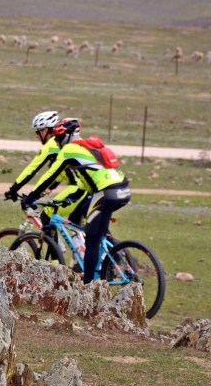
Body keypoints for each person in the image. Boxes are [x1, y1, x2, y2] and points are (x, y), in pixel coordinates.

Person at [18, 117, 131, 283]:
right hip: (123, 188)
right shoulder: (86, 147)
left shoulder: (69, 150)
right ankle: (115, 259)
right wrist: (69, 199)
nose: (56, 142)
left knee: (92, 238)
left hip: (106, 193)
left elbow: (51, 176)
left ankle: (89, 286)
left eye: (57, 138)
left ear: (65, 136)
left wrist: (31, 197)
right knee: (91, 219)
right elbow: (87, 182)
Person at [3, 110, 91, 233]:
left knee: (47, 215)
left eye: (37, 132)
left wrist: (13, 189)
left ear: (45, 130)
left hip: (76, 189)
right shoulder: (68, 140)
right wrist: (51, 187)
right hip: (88, 188)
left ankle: (55, 251)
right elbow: (61, 171)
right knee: (77, 231)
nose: (36, 136)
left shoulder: (51, 145)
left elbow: (32, 169)